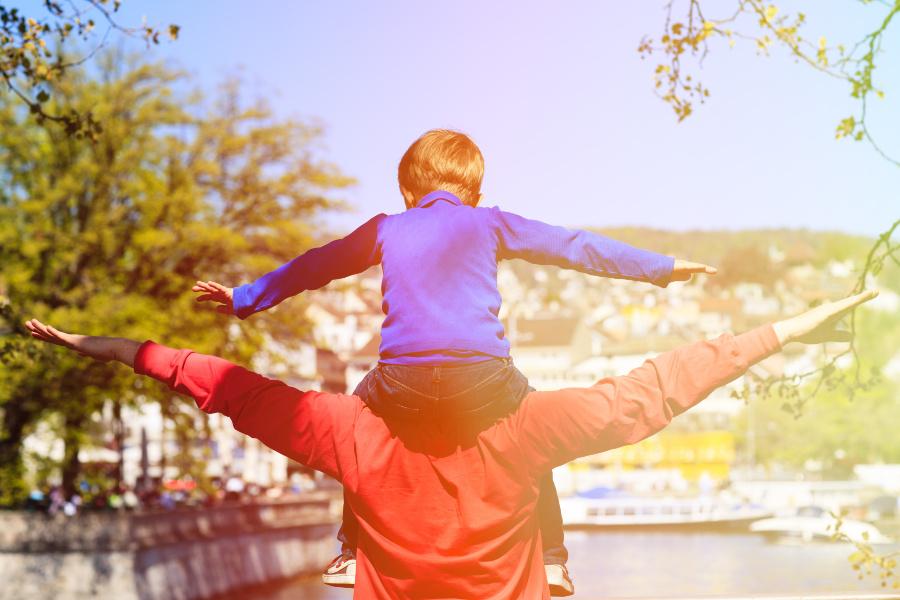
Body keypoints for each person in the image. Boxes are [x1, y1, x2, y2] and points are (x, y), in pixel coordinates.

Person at [26, 290, 876, 599]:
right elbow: (660, 385)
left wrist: (101, 347)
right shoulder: (524, 426)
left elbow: (217, 381)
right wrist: (787, 328)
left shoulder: (349, 428)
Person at [191, 129, 717, 594]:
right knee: (538, 436)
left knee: (353, 433)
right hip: (483, 379)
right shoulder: (489, 223)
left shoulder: (384, 229)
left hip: (402, 382)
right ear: (477, 193)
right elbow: (575, 247)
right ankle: (554, 560)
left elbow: (315, 265)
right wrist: (661, 268)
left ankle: (351, 550)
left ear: (405, 192)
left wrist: (245, 298)